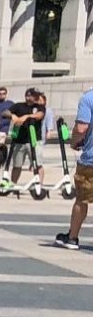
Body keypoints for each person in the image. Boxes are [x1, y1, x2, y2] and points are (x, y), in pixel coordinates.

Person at [53, 84, 93, 249]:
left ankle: (72, 237)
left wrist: (75, 141)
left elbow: (81, 128)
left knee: (82, 199)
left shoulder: (88, 98)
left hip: (91, 160)